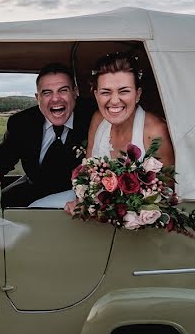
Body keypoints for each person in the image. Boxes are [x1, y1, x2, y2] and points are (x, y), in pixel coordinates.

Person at [62, 51, 175, 213]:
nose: (114, 101)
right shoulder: (98, 119)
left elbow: (167, 195)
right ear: (96, 95)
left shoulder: (156, 131)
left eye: (124, 91)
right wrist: (81, 200)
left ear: (138, 94)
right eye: (105, 92)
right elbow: (87, 172)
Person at [0, 63, 93, 207]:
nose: (56, 99)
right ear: (37, 97)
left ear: (75, 92)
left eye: (63, 90)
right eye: (47, 93)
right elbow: (2, 157)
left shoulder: (92, 118)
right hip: (34, 189)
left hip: (79, 199)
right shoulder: (22, 123)